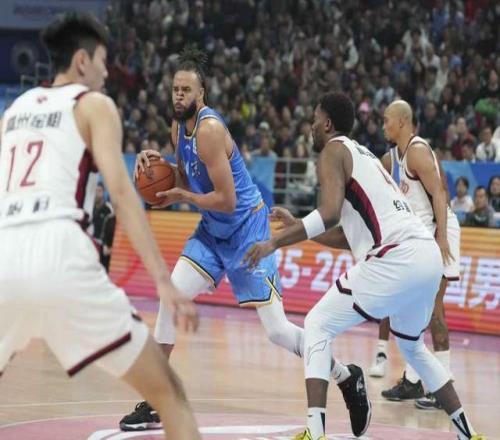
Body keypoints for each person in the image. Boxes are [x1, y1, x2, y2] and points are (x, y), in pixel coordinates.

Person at [0, 13, 200, 440]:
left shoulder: (13, 112)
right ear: (81, 61)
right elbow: (122, 195)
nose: (108, 73)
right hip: (61, 256)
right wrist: (162, 280)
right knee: (169, 394)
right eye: (104, 61)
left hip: (5, 260)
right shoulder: (93, 105)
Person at [244, 92, 485, 440]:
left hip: (397, 256)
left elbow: (328, 213)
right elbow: (346, 234)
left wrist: (275, 242)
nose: (311, 126)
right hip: (426, 255)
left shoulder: (333, 151)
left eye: (315, 119)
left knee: (316, 324)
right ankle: (469, 434)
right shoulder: (365, 156)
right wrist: (298, 225)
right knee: (414, 347)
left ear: (328, 124)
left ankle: (314, 431)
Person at [120, 46, 308, 432]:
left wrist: (182, 196)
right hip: (213, 232)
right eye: (175, 90)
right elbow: (187, 177)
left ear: (201, 93)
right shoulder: (178, 129)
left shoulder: (209, 130)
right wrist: (156, 166)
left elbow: (226, 199)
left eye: (186, 90)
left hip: (246, 231)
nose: (178, 96)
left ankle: (339, 370)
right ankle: (156, 401)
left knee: (276, 331)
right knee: (171, 296)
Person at [370, 100, 462, 411]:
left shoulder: (418, 151)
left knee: (434, 310)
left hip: (439, 233)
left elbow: (440, 193)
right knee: (409, 309)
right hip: (417, 240)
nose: (383, 125)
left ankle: (443, 385)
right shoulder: (391, 159)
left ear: (402, 121)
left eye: (387, 120)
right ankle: (412, 380)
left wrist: (441, 237)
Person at [92, 182, 116, 271]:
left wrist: (108, 245)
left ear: (103, 192)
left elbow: (112, 229)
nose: (97, 193)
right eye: (95, 191)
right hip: (91, 245)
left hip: (103, 247)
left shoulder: (108, 209)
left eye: (99, 191)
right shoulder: (90, 208)